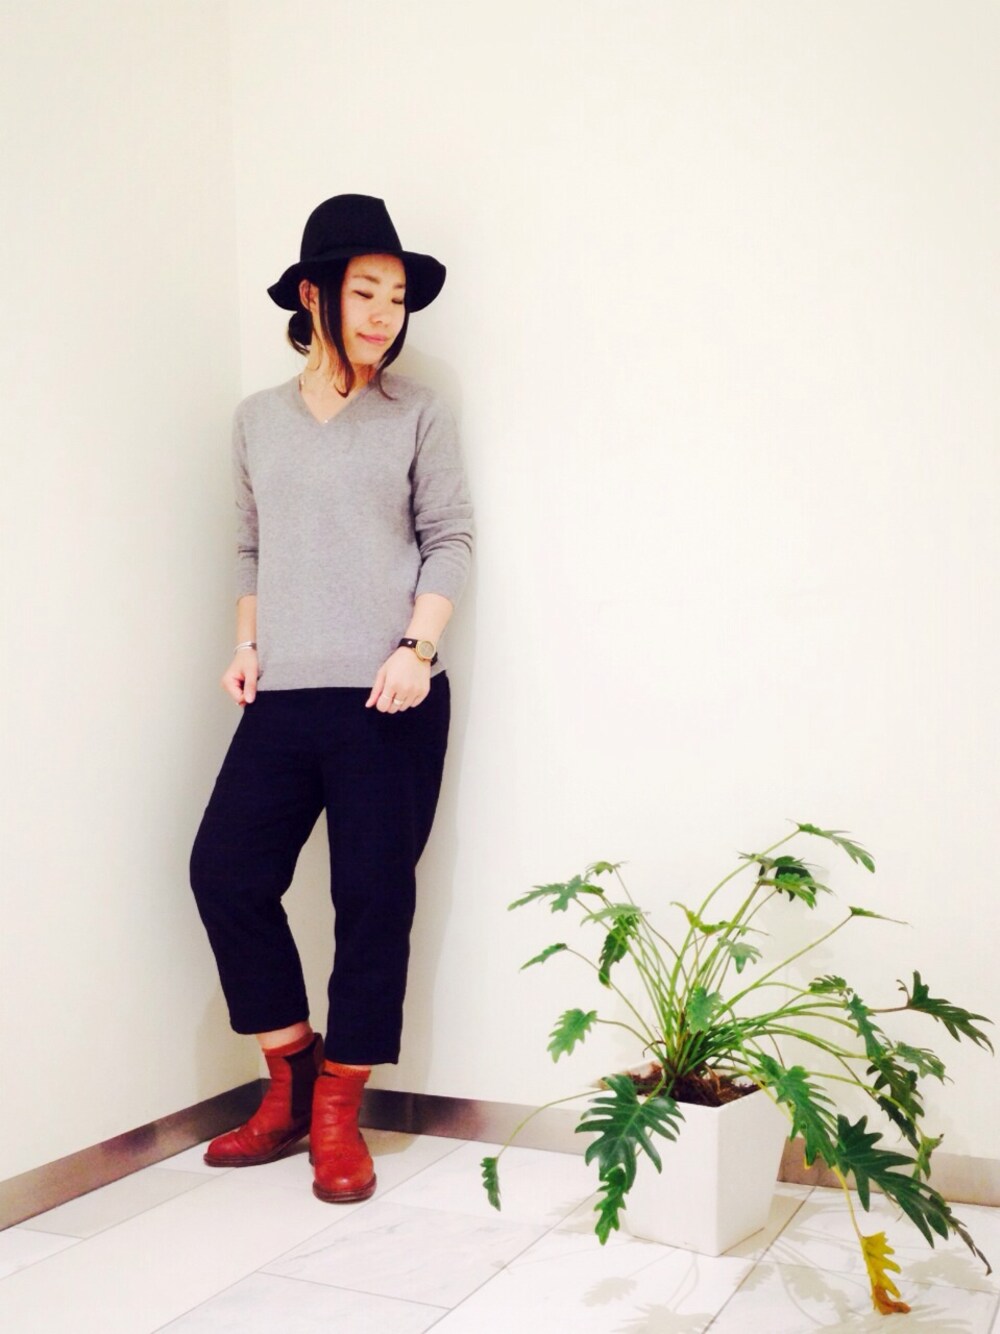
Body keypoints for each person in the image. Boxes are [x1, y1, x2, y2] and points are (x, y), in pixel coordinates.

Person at [189, 194, 473, 1204]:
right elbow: (250, 546)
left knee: (372, 900)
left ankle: (338, 1112)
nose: (386, 313)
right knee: (225, 872)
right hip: (283, 694)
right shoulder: (256, 419)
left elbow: (449, 537)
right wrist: (245, 645)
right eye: (366, 292)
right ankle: (290, 1073)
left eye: (398, 296)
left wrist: (417, 646)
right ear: (314, 296)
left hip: (389, 697)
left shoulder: (417, 412)